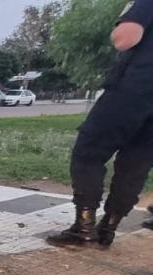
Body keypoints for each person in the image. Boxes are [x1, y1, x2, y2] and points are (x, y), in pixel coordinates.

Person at [47, 0, 153, 249]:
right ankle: (108, 229)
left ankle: (83, 228)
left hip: (134, 90)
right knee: (136, 164)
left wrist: (118, 30)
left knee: (88, 152)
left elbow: (126, 38)